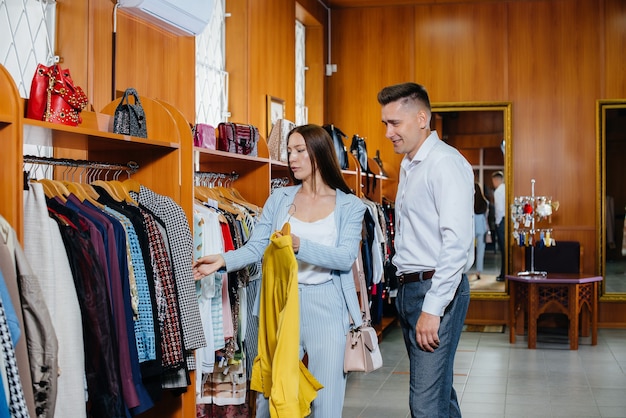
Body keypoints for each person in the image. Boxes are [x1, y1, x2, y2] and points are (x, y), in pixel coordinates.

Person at [192, 124, 366, 417]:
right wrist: (223, 261)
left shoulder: (350, 205)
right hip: (280, 303)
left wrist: (299, 246)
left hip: (326, 305)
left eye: (300, 151)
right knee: (271, 393)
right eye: (289, 151)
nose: (292, 158)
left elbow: (344, 257)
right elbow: (256, 247)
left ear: (320, 153)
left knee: (326, 398)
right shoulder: (279, 199)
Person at [377, 82, 474, 418]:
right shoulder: (410, 163)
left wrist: (433, 308)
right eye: (385, 124)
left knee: (425, 403)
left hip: (435, 291)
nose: (388, 133)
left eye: (395, 123)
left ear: (421, 118)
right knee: (438, 393)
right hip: (410, 289)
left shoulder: (444, 163)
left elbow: (457, 243)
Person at [491, 170, 506, 281]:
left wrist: (497, 222)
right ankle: (504, 273)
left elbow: (499, 209)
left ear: (496, 180)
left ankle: (503, 274)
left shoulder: (498, 191)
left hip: (501, 221)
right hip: (506, 220)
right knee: (505, 250)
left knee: (503, 249)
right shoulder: (506, 189)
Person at [473, 182, 489, 280]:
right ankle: (478, 271)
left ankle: (464, 271)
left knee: (468, 250)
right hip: (482, 227)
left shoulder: (469, 201)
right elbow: (486, 217)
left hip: (471, 228)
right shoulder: (485, 202)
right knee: (480, 250)